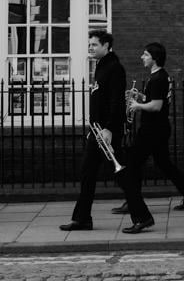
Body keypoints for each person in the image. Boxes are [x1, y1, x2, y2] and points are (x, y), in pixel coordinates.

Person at [113, 43, 184, 233]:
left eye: (145, 55)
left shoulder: (158, 78)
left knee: (132, 164)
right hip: (158, 128)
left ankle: (133, 203)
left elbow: (157, 106)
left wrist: (137, 105)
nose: (142, 57)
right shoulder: (158, 77)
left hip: (152, 130)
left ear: (154, 57)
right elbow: (153, 100)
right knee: (164, 163)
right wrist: (141, 96)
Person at [59, 30, 127, 231]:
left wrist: (109, 129)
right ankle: (82, 219)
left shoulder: (114, 68)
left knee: (122, 175)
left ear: (106, 46)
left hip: (106, 132)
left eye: (95, 45)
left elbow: (116, 102)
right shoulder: (101, 67)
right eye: (89, 45)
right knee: (87, 173)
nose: (91, 48)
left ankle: (141, 215)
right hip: (97, 132)